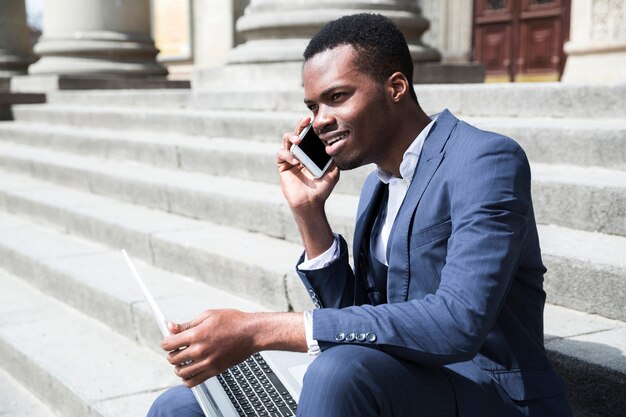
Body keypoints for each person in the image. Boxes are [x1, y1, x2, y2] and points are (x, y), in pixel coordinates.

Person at [147, 13, 573, 417]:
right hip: (395, 380)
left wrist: (263, 330)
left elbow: (457, 323)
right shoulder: (377, 185)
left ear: (396, 87)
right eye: (313, 106)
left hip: (491, 395)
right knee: (180, 407)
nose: (320, 121)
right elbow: (360, 318)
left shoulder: (485, 160)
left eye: (337, 97)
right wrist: (309, 212)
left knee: (338, 372)